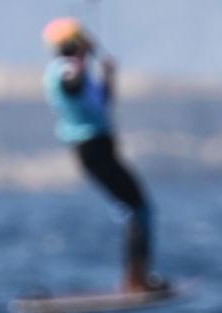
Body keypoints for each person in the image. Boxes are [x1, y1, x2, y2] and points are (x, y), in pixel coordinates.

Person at [41, 17, 163, 292]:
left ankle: (138, 276)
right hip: (93, 150)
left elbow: (102, 103)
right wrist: (84, 57)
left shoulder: (75, 71)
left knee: (137, 210)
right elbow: (72, 82)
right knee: (138, 209)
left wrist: (108, 75)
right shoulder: (64, 71)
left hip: (101, 149)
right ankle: (136, 280)